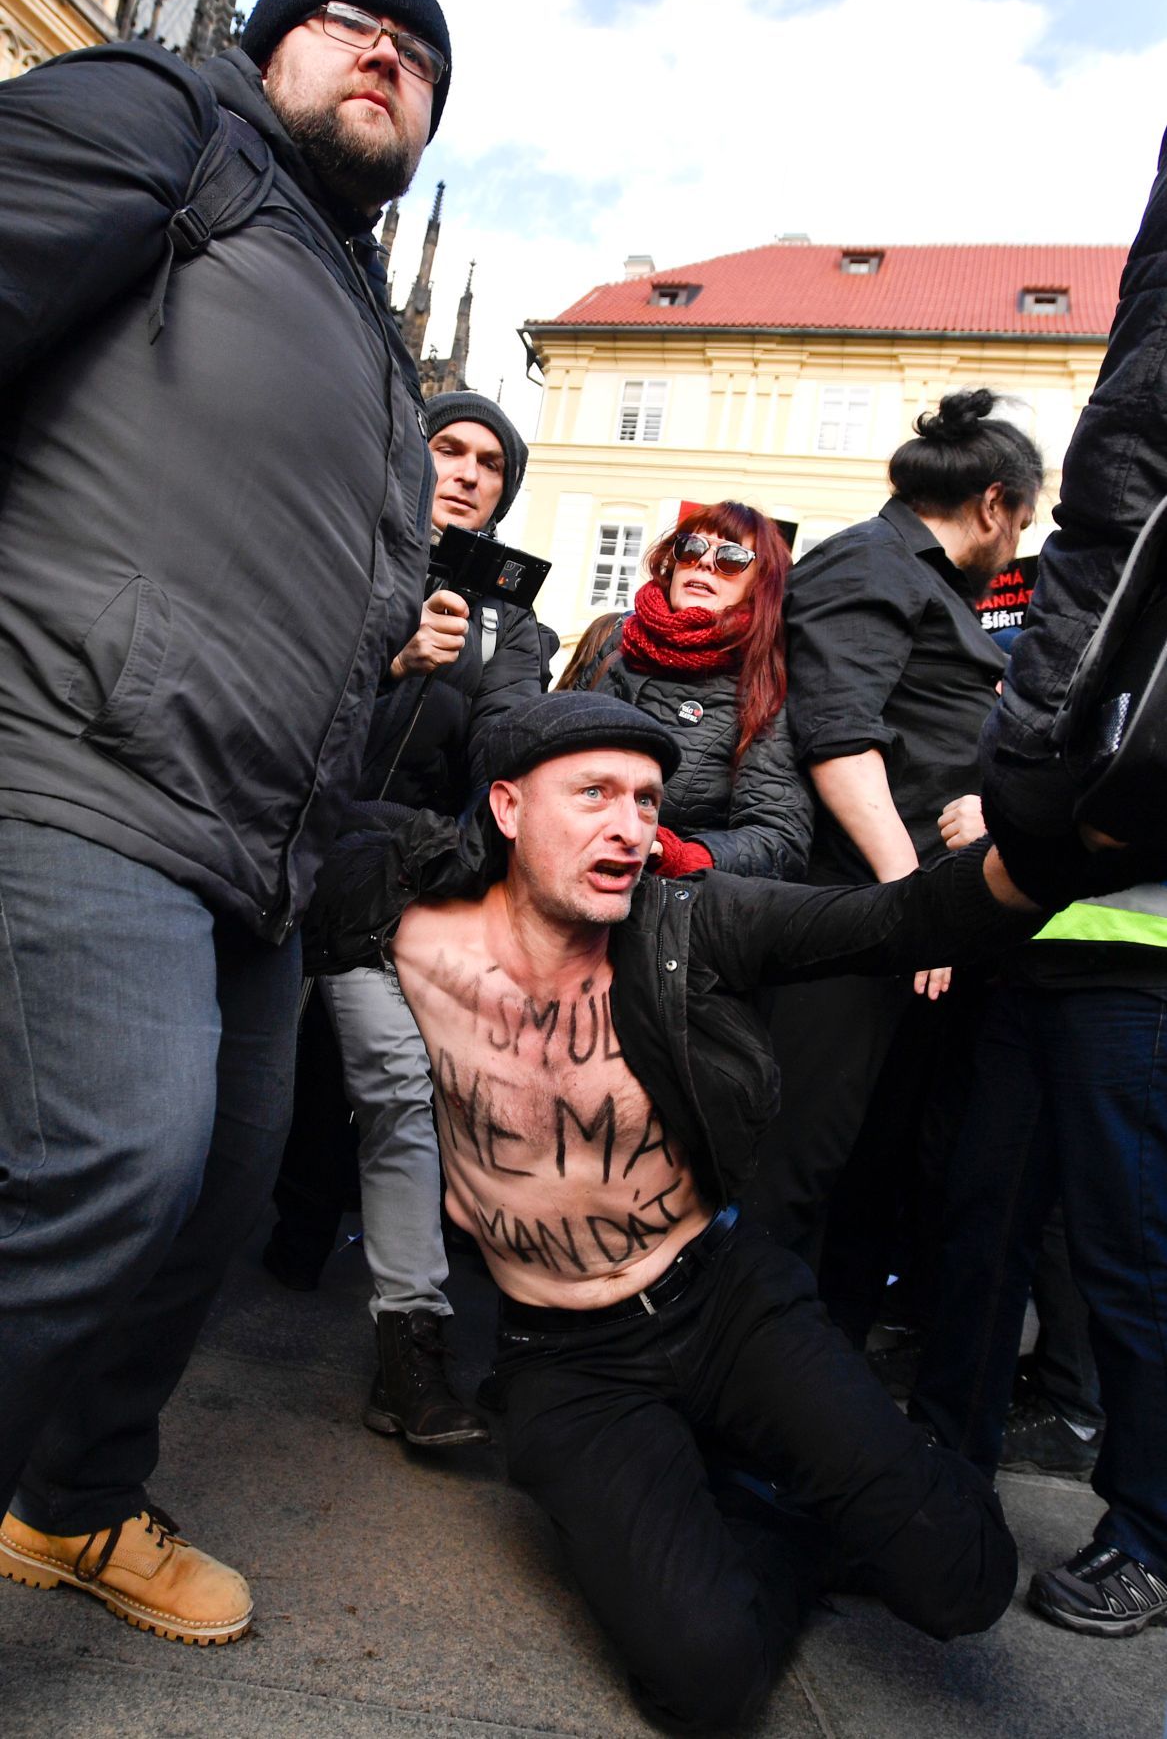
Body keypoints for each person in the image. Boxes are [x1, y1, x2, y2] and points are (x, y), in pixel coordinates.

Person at [303, 691, 1042, 1730]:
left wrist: (1060, 842)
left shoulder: (689, 923)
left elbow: (898, 918)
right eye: (594, 793)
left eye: (648, 800)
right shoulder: (411, 924)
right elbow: (312, 795)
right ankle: (776, 1510)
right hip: (566, 1359)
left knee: (964, 1581)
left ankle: (840, 1480)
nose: (629, 825)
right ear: (508, 806)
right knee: (702, 1680)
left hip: (727, 1301)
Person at [0, 0, 450, 1647]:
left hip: (261, 837)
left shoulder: (369, 333)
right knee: (108, 1154)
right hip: (75, 739)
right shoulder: (167, 124)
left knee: (213, 1192)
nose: (390, 55)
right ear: (264, 49)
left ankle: (67, 1507)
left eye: (422, 59)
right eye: (348, 22)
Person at [966, 127, 1167, 1637]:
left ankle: (1150, 1530)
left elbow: (1112, 539)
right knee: (1030, 1228)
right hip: (1068, 919)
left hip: (1127, 924)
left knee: (1128, 1254)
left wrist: (1058, 810)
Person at [265, 391, 547, 1449]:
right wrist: (393, 666)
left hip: (390, 882)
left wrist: (473, 682)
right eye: (450, 449)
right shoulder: (338, 555)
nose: (469, 472)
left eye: (491, 464)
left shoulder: (511, 622)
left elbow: (502, 763)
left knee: (393, 1086)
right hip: (271, 851)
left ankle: (409, 1349)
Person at [750, 392, 1043, 1338]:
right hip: (848, 920)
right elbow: (838, 743)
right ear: (994, 504)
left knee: (860, 1174)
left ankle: (807, 1389)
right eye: (1026, 518)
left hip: (896, 926)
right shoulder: (869, 563)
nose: (1021, 540)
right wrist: (911, 906)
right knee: (796, 1174)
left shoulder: (923, 584)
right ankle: (730, 1394)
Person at [573, 502, 812, 881]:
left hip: (664, 903)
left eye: (731, 557)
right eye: (692, 548)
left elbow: (778, 837)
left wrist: (677, 855)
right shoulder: (616, 644)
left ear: (761, 584)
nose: (703, 563)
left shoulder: (766, 683)